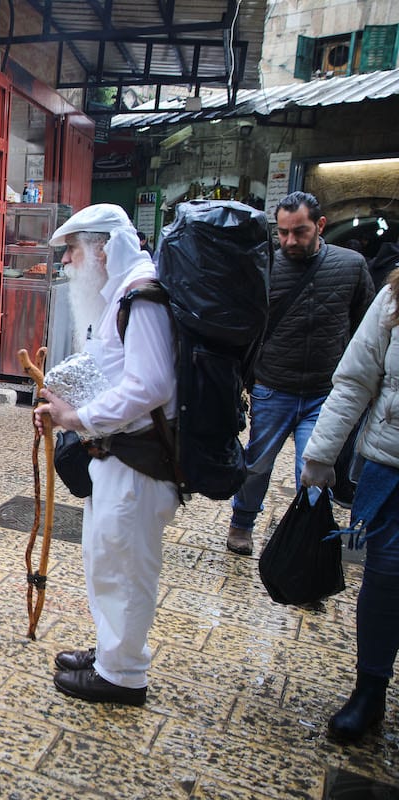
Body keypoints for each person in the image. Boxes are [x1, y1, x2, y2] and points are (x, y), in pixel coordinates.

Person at [32, 204, 179, 706]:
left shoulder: (142, 293)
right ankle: (109, 653)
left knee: (126, 567)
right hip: (115, 456)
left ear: (102, 248)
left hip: (138, 460)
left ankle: (123, 676)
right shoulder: (120, 292)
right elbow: (106, 363)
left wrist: (79, 419)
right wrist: (61, 400)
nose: (67, 262)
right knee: (105, 559)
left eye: (72, 250)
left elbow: (151, 384)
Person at [224, 191, 373, 556]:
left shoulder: (351, 266)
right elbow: (247, 324)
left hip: (325, 391)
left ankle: (306, 540)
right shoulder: (266, 266)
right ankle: (241, 522)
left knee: (313, 471)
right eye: (283, 232)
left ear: (320, 226)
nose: (289, 240)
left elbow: (364, 327)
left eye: (300, 232)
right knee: (257, 464)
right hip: (273, 386)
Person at [299, 267, 399, 744]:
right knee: (385, 578)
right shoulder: (394, 298)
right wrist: (319, 455)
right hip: (393, 466)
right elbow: (356, 381)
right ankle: (371, 690)